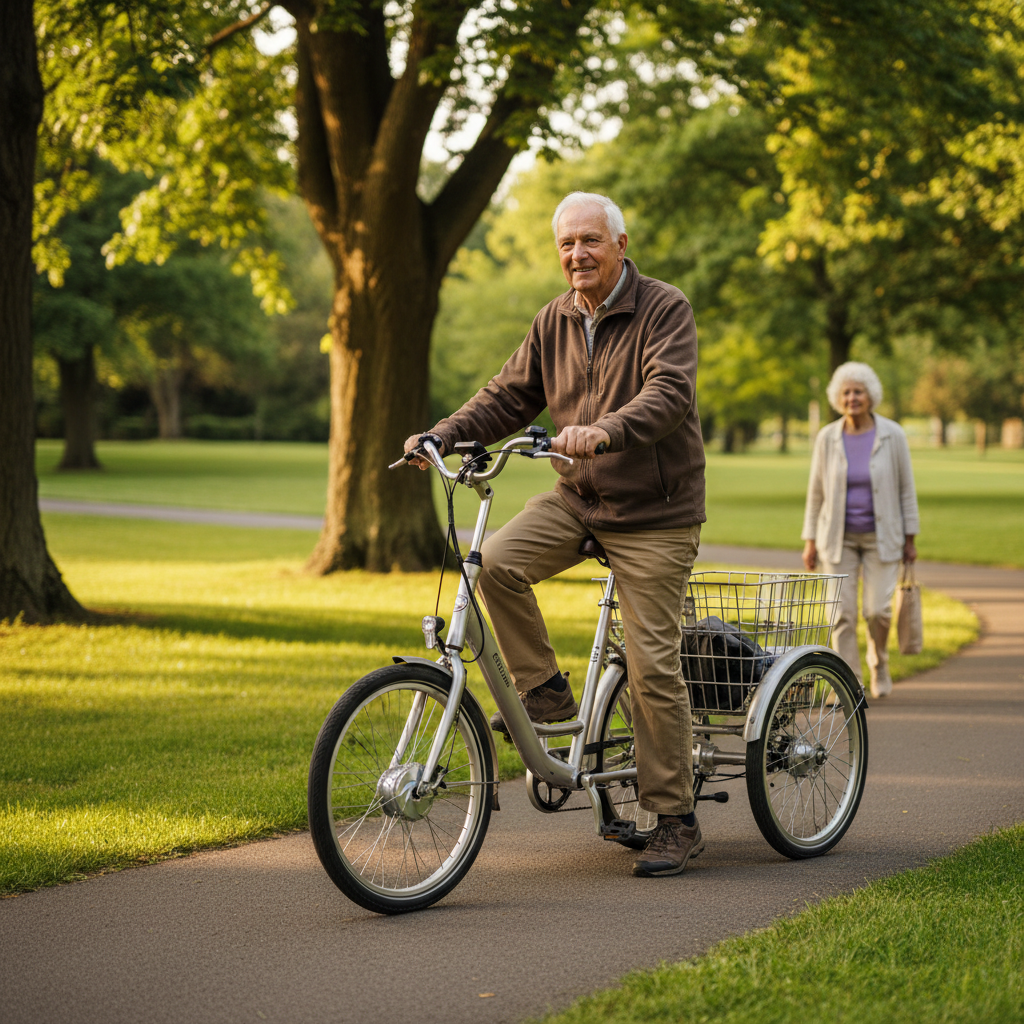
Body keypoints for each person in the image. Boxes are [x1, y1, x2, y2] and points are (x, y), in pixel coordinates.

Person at [404, 192, 706, 877]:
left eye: (590, 241)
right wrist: (442, 434)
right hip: (579, 498)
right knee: (491, 565)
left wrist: (605, 429)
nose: (577, 255)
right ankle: (546, 698)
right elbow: (507, 395)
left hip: (656, 511)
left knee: (652, 663)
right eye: (567, 244)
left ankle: (674, 817)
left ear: (621, 243)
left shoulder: (664, 307)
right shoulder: (555, 320)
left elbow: (669, 393)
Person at [802, 362, 920, 698]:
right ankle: (850, 681)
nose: (853, 398)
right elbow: (816, 494)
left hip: (883, 538)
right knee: (841, 614)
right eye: (847, 392)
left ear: (871, 396)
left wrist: (911, 539)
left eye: (859, 391)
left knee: (877, 611)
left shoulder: (892, 435)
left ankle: (879, 662)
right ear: (838, 398)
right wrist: (809, 541)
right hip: (837, 539)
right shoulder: (827, 437)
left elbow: (906, 490)